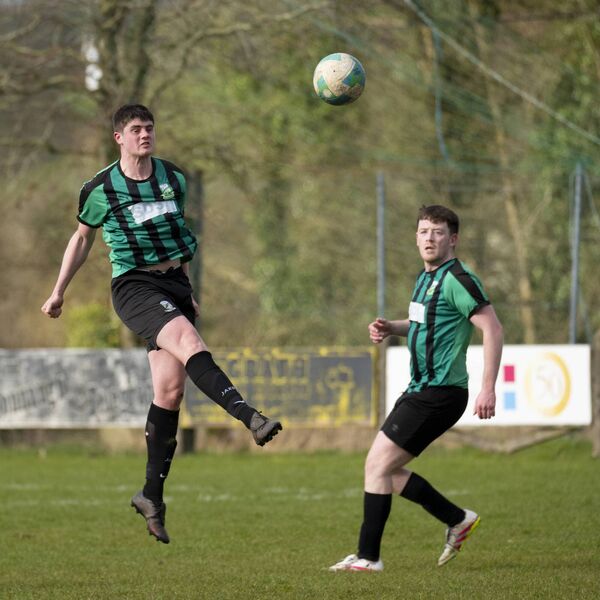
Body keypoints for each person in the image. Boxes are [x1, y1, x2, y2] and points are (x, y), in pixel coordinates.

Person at [41, 104, 282, 544]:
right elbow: (81, 238)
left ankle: (151, 495)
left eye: (149, 128)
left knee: (170, 392)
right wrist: (59, 292)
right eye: (136, 130)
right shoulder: (99, 188)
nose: (145, 135)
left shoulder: (173, 178)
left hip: (173, 283)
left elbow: (176, 237)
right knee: (189, 342)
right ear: (119, 138)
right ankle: (251, 417)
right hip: (133, 287)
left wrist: (186, 286)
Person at [329, 204, 503, 571]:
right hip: (422, 388)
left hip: (439, 392)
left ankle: (368, 558)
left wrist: (488, 388)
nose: (429, 238)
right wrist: (392, 327)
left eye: (438, 232)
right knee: (386, 471)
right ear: (416, 237)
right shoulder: (426, 278)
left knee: (376, 465)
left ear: (452, 239)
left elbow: (492, 328)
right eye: (424, 231)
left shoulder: (458, 278)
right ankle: (457, 519)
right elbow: (423, 323)